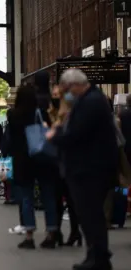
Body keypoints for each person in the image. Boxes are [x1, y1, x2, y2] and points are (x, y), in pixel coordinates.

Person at [47, 69, 117, 270]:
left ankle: (98, 257)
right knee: (89, 215)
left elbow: (76, 134)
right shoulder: (90, 100)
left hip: (90, 170)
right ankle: (95, 254)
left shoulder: (90, 102)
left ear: (75, 85)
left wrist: (55, 136)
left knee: (91, 215)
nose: (67, 94)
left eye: (67, 89)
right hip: (89, 168)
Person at [7, 83, 59, 250]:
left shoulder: (13, 115)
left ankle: (29, 236)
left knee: (26, 198)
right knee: (48, 196)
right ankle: (51, 233)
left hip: (23, 161)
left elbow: (11, 139)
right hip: (43, 158)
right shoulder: (42, 113)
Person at [48, 84, 81, 247]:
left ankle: (71, 232)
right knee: (61, 199)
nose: (55, 98)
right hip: (58, 163)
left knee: (68, 199)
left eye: (57, 95)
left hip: (67, 162)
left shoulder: (68, 114)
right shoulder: (54, 112)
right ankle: (65, 232)